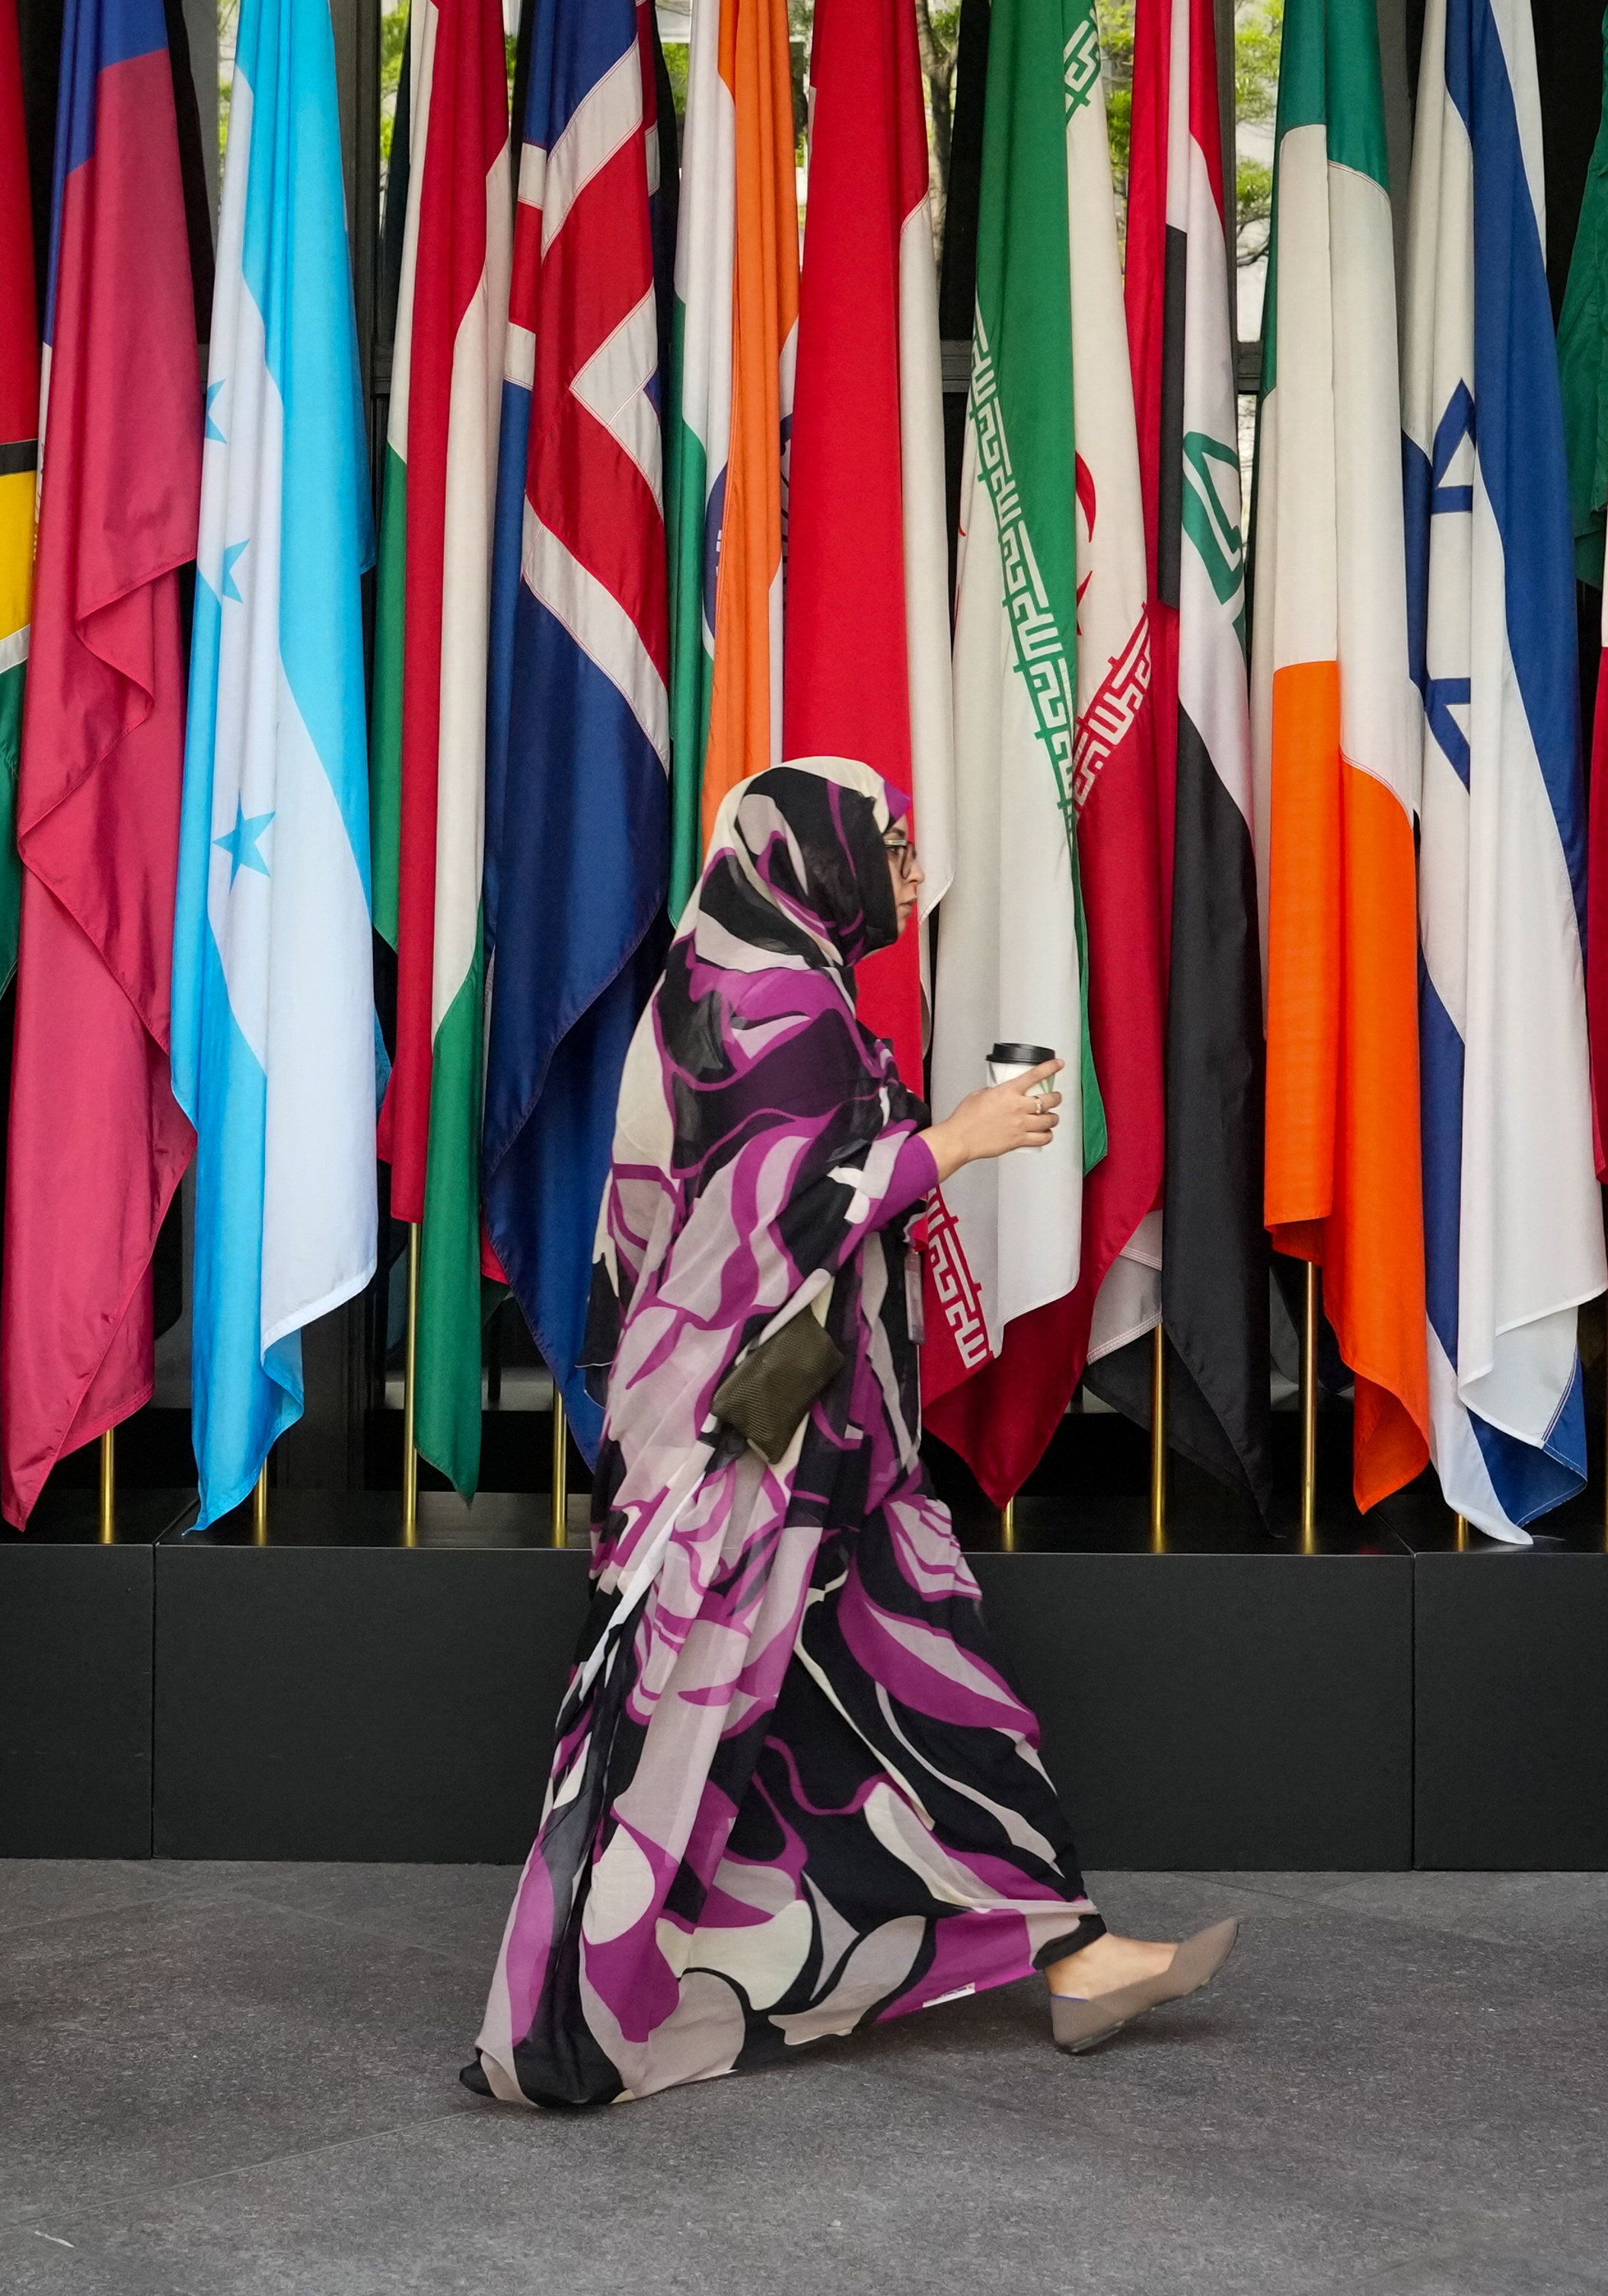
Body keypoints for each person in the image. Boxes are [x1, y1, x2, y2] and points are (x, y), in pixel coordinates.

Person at [470, 759, 1236, 2108]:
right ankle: (577, 2017)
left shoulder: (752, 978)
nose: (907, 871)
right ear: (812, 856)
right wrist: (968, 1137)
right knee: (696, 1722)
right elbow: (783, 1210)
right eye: (884, 845)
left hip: (824, 1443)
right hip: (754, 1454)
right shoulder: (776, 1003)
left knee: (930, 1698)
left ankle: (1073, 1953)